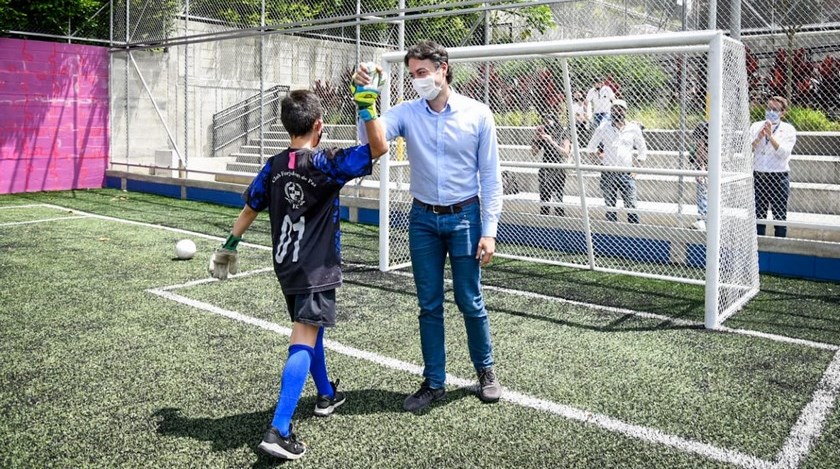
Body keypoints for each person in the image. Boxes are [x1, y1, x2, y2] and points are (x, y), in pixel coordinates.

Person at [208, 88, 387, 460]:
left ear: (285, 126)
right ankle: (279, 428)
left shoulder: (273, 166)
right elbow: (378, 148)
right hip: (316, 267)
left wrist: (229, 245)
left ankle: (325, 395)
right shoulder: (326, 163)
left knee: (310, 327)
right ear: (319, 125)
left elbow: (250, 206)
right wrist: (367, 107)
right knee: (304, 336)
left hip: (286, 266)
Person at [352, 40, 503, 412]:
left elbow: (491, 176)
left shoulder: (477, 113)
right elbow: (371, 143)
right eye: (413, 74)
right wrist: (364, 101)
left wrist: (489, 229)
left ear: (443, 68)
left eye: (424, 72)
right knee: (428, 304)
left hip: (466, 217)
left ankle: (485, 371)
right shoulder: (406, 113)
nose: (419, 80)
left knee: (470, 300)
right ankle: (434, 382)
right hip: (422, 219)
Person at [586, 99, 647, 224]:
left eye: (620, 109)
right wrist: (599, 157)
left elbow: (643, 150)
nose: (617, 111)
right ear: (611, 111)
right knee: (610, 207)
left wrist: (636, 169)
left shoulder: (633, 128)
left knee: (631, 206)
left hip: (627, 172)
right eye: (614, 109)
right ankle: (611, 237)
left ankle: (634, 234)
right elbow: (591, 147)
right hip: (608, 172)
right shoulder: (604, 127)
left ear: (625, 111)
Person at [751, 96, 797, 237]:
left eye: (775, 110)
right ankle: (759, 247)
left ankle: (780, 246)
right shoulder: (756, 126)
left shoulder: (788, 129)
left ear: (783, 113)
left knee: (779, 216)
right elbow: (748, 149)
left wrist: (770, 137)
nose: (771, 112)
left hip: (778, 176)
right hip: (759, 175)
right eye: (769, 108)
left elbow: (784, 153)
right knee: (758, 216)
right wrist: (759, 138)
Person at [531, 117, 571, 216]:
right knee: (544, 199)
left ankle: (559, 219)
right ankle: (544, 219)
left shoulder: (563, 133)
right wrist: (537, 137)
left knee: (558, 198)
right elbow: (534, 152)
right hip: (545, 168)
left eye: (549, 121)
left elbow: (566, 153)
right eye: (545, 122)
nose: (546, 124)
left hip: (558, 168)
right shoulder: (544, 134)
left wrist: (552, 141)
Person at [690, 122, 709, 231]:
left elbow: (700, 153)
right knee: (703, 193)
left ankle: (703, 219)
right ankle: (702, 219)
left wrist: (702, 167)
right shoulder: (702, 141)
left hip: (708, 167)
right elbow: (699, 154)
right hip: (705, 167)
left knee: (703, 193)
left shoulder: (707, 140)